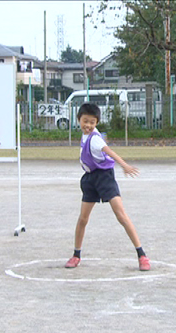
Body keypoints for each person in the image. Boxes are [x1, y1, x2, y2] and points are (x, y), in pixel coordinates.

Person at [65, 102, 150, 271]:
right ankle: (76, 255)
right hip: (90, 179)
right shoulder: (84, 136)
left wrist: (124, 165)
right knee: (83, 219)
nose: (88, 125)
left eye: (92, 122)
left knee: (121, 215)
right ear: (79, 120)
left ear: (96, 123)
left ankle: (142, 255)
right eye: (85, 121)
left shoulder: (95, 139)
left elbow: (109, 151)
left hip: (105, 178)